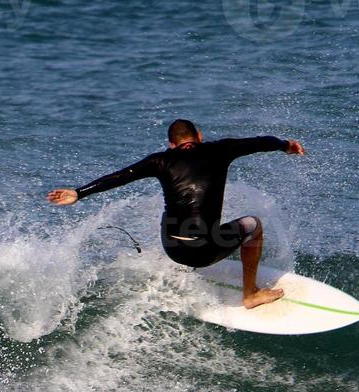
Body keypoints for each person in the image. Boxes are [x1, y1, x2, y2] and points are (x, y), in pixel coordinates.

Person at [48, 119, 306, 308]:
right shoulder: (222, 149)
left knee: (171, 210)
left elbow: (119, 177)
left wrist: (79, 193)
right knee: (254, 225)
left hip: (172, 248)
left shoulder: (159, 160)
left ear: (171, 144)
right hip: (204, 251)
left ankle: (186, 266)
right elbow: (261, 142)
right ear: (200, 136)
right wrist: (286, 145)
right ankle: (250, 293)